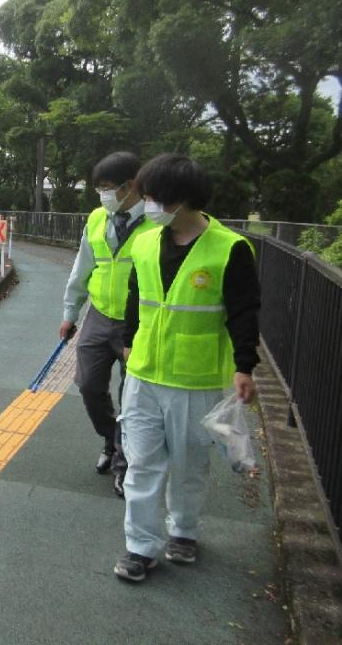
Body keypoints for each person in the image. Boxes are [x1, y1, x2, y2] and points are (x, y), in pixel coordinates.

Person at [113, 154, 260, 582]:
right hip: (143, 374)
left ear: (183, 199)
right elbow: (135, 297)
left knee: (189, 464)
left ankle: (184, 530)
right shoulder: (143, 242)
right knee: (141, 463)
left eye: (156, 197)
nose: (149, 205)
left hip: (194, 379)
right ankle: (140, 547)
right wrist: (127, 341)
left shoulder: (230, 249)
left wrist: (244, 366)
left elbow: (244, 312)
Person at [59, 151, 156, 497]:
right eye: (99, 189)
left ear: (131, 186)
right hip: (99, 315)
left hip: (141, 322)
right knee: (87, 384)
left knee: (132, 396)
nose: (103, 195)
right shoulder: (98, 218)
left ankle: (125, 463)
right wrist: (71, 312)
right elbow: (81, 267)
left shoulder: (157, 221)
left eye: (108, 188)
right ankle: (111, 439)